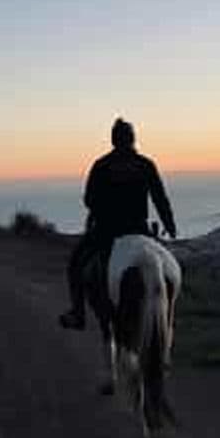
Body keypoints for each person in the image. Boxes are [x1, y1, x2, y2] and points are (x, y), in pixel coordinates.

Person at [59, 118, 177, 330]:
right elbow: (160, 198)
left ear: (113, 140)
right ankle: (168, 315)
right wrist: (170, 226)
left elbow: (89, 200)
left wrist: (104, 207)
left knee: (76, 263)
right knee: (168, 265)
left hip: (107, 230)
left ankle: (78, 314)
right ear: (133, 139)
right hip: (139, 229)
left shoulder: (102, 165)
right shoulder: (146, 164)